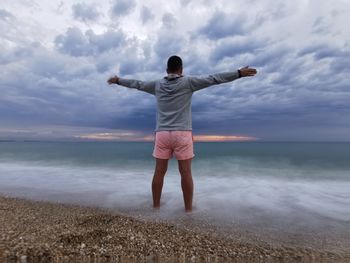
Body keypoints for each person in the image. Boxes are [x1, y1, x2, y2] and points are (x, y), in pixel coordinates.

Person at [107, 56, 257, 212]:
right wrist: (238, 73)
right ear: (181, 69)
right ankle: (188, 211)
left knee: (159, 172)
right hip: (182, 134)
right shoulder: (188, 82)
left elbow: (137, 84)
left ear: (167, 70)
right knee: (185, 172)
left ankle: (156, 208)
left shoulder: (157, 85)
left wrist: (118, 80)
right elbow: (214, 79)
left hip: (162, 134)